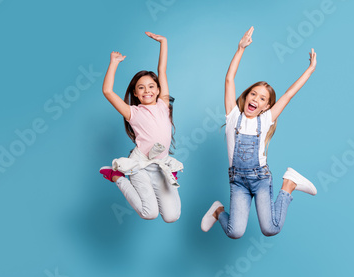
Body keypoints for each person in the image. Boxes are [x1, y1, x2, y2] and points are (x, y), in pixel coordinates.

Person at [201, 27, 317, 238]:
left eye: (262, 98)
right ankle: (218, 211)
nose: (256, 99)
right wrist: (240, 49)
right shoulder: (232, 115)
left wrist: (309, 70)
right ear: (246, 97)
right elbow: (229, 79)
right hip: (238, 182)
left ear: (266, 106)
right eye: (253, 94)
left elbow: (289, 94)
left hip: (261, 179)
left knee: (270, 229)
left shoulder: (266, 119)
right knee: (234, 232)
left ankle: (289, 183)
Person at [100, 32, 181, 223]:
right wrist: (114, 62)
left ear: (159, 90)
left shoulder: (164, 104)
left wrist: (164, 42)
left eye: (151, 86)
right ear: (135, 93)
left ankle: (170, 171)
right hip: (140, 166)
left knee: (171, 217)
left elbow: (162, 70)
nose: (147, 90)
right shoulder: (132, 112)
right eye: (141, 87)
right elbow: (107, 91)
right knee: (149, 213)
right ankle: (117, 176)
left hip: (160, 166)